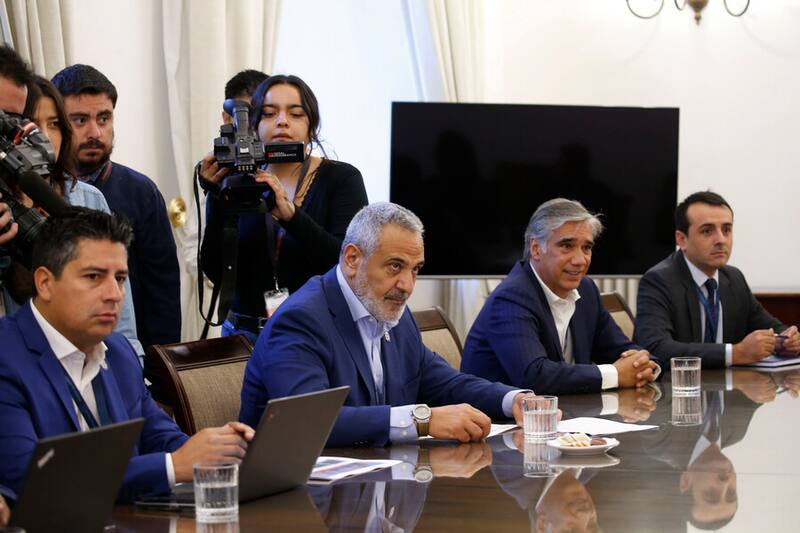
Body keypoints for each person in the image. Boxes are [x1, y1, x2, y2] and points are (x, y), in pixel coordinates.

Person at [0, 208, 254, 503]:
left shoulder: (119, 351)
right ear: (44, 283)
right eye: (93, 276)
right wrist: (173, 466)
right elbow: (32, 480)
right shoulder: (7, 356)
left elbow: (157, 436)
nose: (114, 294)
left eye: (120, 278)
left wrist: (216, 451)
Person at [240, 202, 531, 447]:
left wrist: (512, 399)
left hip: (374, 485)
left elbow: (444, 383)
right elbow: (309, 421)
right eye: (395, 266)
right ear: (352, 259)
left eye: (415, 269)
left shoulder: (394, 311)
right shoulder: (301, 319)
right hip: (298, 499)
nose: (407, 285)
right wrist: (422, 421)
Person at [200, 74, 368, 343]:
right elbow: (214, 270)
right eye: (268, 113)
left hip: (315, 333)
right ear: (253, 126)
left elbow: (349, 264)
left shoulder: (341, 179)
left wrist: (292, 217)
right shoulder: (236, 181)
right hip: (242, 335)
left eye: (296, 113)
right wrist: (217, 198)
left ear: (311, 125)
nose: (282, 121)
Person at [0, 73, 144, 359]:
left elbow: (121, 319)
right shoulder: (6, 208)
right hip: (25, 370)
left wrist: (130, 368)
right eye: (30, 123)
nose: (41, 136)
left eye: (53, 124)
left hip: (97, 364)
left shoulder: (89, 199)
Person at [461, 198, 659, 395]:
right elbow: (535, 376)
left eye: (586, 248)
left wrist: (644, 366)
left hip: (569, 416)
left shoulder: (587, 290)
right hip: (501, 422)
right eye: (567, 246)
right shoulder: (511, 298)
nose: (580, 260)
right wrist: (615, 374)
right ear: (536, 249)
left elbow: (622, 349)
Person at [51, 64, 181, 350]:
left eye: (104, 118)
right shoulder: (40, 192)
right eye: (80, 120)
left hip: (131, 358)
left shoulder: (141, 191)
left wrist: (158, 373)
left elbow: (163, 294)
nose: (95, 132)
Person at [634, 191, 800, 368]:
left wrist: (788, 340)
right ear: (682, 239)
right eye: (707, 231)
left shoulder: (733, 278)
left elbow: (771, 327)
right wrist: (735, 353)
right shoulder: (658, 281)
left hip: (730, 389)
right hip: (676, 391)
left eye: (726, 229)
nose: (721, 240)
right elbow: (655, 348)